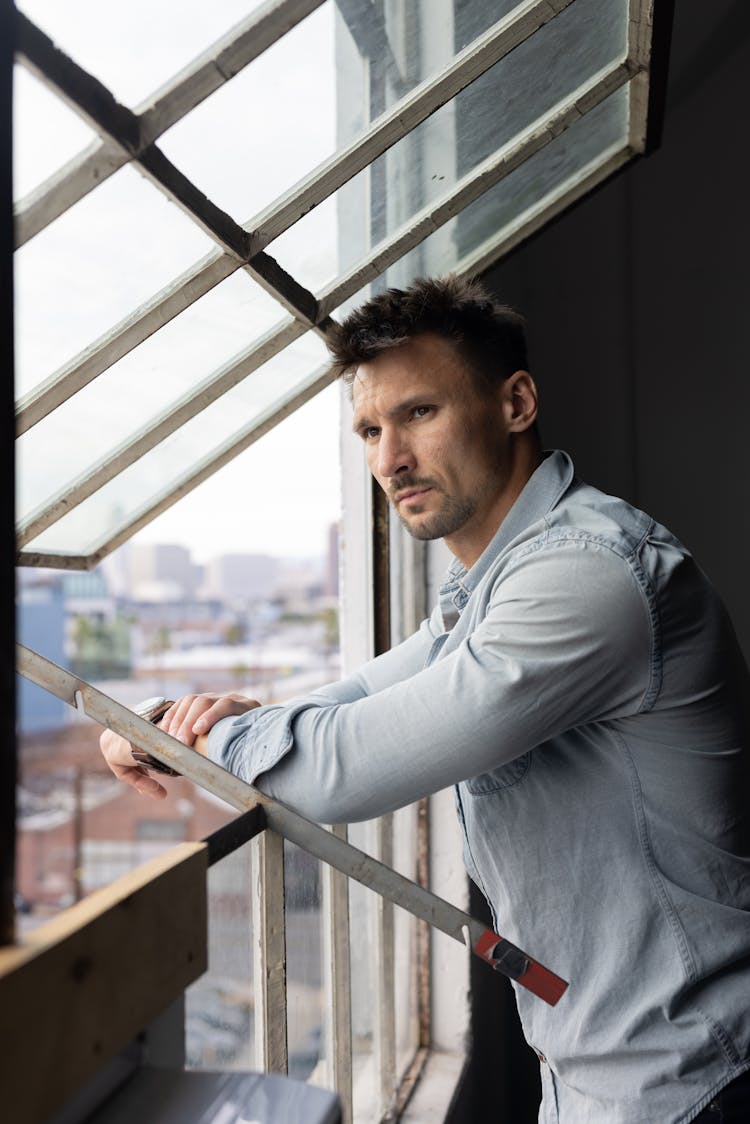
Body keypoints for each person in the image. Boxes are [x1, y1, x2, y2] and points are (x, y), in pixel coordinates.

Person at [100, 276, 750, 1123]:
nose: (386, 460)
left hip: (694, 1078)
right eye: (370, 429)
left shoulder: (588, 576)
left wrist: (213, 740)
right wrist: (165, 727)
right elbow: (355, 697)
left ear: (515, 403)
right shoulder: (483, 588)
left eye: (417, 414)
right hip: (598, 1071)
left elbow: (345, 767)